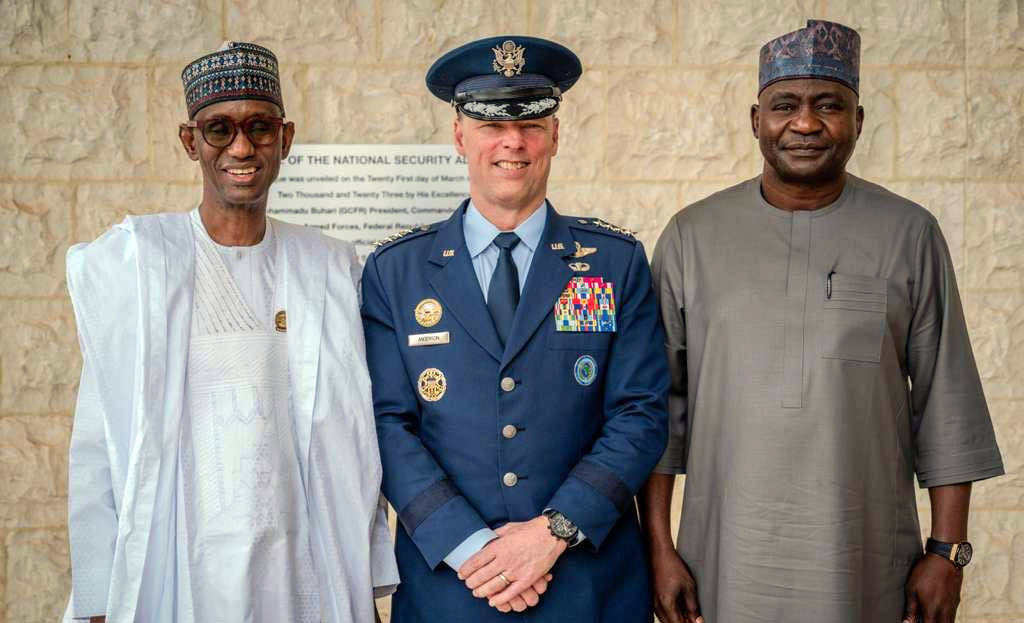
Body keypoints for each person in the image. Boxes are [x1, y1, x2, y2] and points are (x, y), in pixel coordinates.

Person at [640, 20, 1004, 623]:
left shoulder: (909, 233)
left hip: (865, 564)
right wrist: (658, 549)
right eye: (785, 105)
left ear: (858, 121)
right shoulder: (690, 237)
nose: (806, 124)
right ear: (755, 119)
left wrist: (947, 552)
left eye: (828, 105)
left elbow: (947, 399)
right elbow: (658, 411)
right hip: (726, 561)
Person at [63, 42, 398, 623]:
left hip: (304, 572)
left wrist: (362, 581)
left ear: (285, 139)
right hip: (181, 569)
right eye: (219, 129)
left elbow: (354, 442)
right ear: (191, 142)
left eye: (259, 127)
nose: (241, 147)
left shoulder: (330, 268)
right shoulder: (139, 265)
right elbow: (99, 440)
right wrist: (100, 596)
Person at [361, 35, 669, 622]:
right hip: (453, 584)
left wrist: (552, 534)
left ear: (555, 134)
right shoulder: (396, 272)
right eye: (489, 124)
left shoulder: (612, 261)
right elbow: (385, 423)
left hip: (587, 581)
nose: (513, 141)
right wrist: (473, 547)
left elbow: (641, 411)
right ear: (459, 136)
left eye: (531, 121)